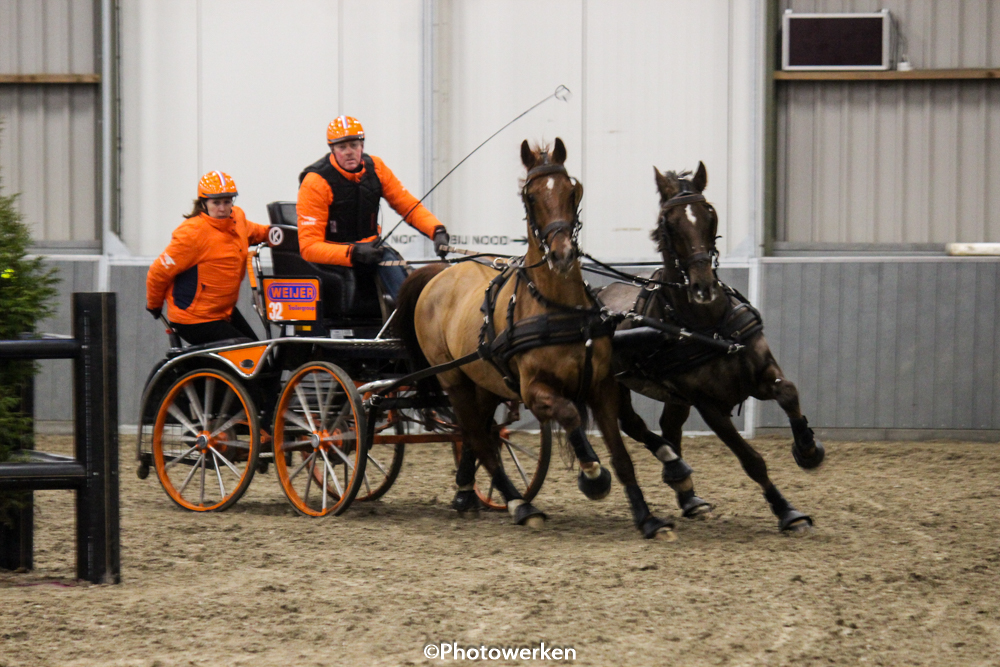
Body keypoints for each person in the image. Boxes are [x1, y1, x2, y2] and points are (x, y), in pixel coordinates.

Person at [296, 115, 449, 298]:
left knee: (402, 269)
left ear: (362, 146)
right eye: (342, 147)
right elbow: (309, 248)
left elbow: (408, 205)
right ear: (332, 149)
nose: (349, 152)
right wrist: (353, 252)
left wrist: (437, 231)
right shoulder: (315, 182)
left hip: (371, 250)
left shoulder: (376, 168)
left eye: (354, 145)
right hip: (336, 257)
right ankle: (404, 316)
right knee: (386, 260)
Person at [146, 171, 270, 345]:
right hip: (194, 318)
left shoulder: (237, 220)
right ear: (203, 203)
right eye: (216, 202)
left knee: (259, 355)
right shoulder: (191, 234)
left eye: (227, 202)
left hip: (222, 311)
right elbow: (158, 272)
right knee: (248, 358)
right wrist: (154, 305)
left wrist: (282, 234)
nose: (222, 208)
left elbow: (259, 232)